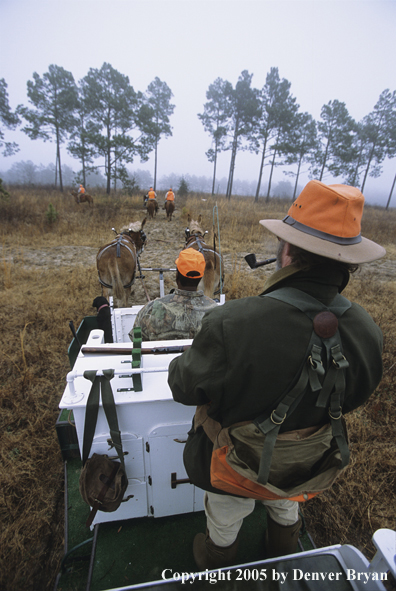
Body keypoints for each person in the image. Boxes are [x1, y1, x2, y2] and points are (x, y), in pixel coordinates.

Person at [168, 180, 385, 570]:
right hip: (307, 462)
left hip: (235, 464)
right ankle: (284, 551)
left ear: (286, 251)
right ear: (347, 261)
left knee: (226, 510)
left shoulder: (233, 323)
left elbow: (182, 387)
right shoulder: (367, 329)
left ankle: (218, 562)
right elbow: (359, 392)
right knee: (287, 502)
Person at [130, 248, 217, 341]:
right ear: (200, 277)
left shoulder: (151, 308)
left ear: (177, 275)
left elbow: (136, 339)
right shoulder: (215, 311)